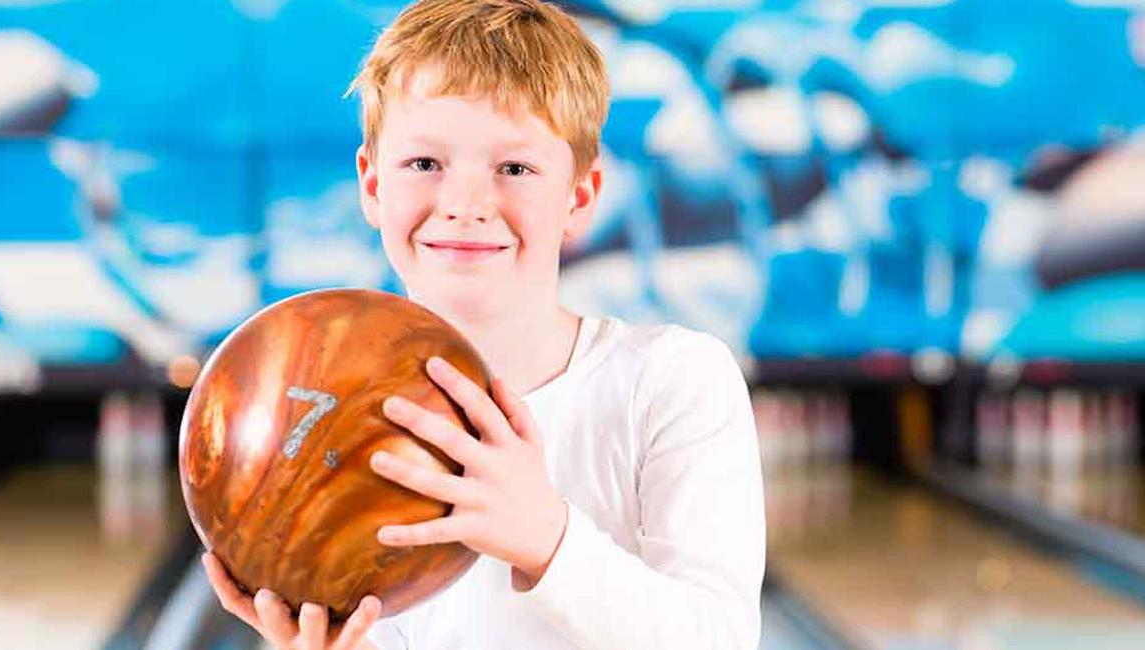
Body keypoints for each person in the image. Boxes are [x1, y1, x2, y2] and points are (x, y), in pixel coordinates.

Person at [201, 1, 765, 648]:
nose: (466, 205)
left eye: (514, 169)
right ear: (372, 183)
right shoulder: (325, 413)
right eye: (424, 165)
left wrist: (548, 540)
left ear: (579, 196)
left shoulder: (674, 380)